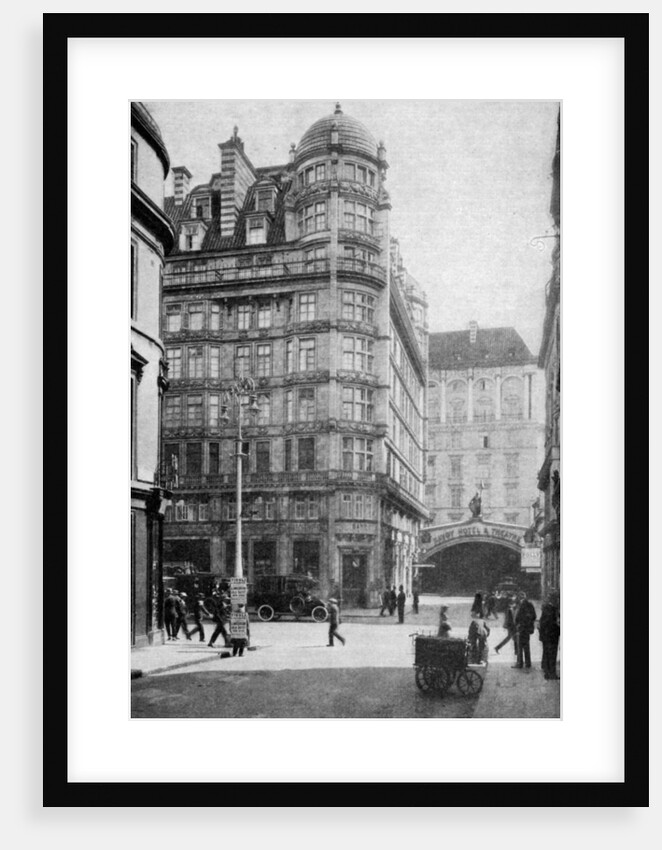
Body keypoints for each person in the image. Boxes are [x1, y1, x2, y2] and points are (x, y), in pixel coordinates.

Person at [539, 592, 560, 680]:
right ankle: (551, 674)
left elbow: (542, 622)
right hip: (552, 636)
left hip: (548, 635)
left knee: (548, 654)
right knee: (552, 655)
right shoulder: (551, 609)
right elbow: (549, 623)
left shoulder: (547, 608)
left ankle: (548, 673)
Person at [512, 591, 537, 669]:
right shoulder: (527, 604)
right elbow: (534, 616)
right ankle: (527, 663)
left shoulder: (524, 605)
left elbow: (531, 616)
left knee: (520, 646)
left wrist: (521, 624)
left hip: (522, 628)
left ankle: (520, 663)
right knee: (526, 646)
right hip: (525, 628)